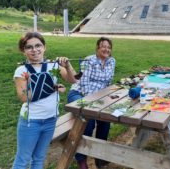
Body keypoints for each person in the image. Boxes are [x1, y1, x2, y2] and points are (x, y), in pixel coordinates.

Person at [12, 32, 76, 169]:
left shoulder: (53, 66)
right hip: (31, 121)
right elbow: (24, 98)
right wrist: (46, 86)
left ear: (44, 47)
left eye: (38, 45)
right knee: (23, 159)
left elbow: (73, 79)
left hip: (51, 119)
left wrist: (67, 66)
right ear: (24, 51)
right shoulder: (21, 70)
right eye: (29, 47)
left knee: (39, 158)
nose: (34, 50)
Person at [67, 37, 116, 169]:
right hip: (80, 93)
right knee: (87, 121)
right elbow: (84, 83)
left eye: (109, 47)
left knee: (105, 120)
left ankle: (99, 157)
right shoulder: (89, 60)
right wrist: (92, 103)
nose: (106, 49)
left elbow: (108, 81)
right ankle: (81, 159)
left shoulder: (111, 61)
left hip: (99, 96)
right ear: (97, 48)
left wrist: (104, 98)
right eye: (103, 46)